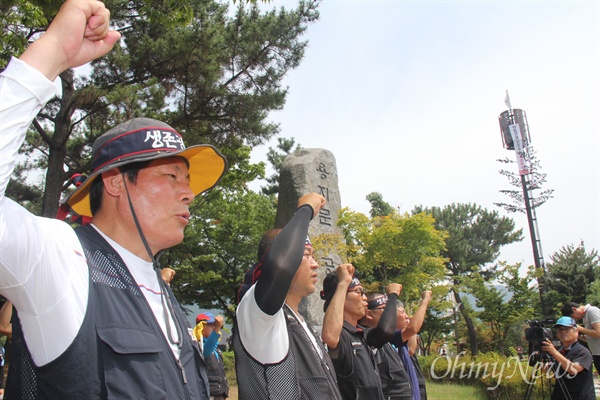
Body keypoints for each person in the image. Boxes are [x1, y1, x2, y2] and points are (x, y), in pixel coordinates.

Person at [0, 1, 228, 397]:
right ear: (116, 182)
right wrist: (53, 50)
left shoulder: (161, 290)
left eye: (187, 180)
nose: (189, 192)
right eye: (171, 175)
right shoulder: (61, 258)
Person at [233, 192, 342, 399]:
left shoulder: (299, 321)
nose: (315, 263)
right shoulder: (260, 315)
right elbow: (280, 267)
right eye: (306, 254)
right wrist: (305, 210)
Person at [320, 264, 402, 400]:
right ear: (342, 298)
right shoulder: (341, 335)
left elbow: (386, 330)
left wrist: (392, 297)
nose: (365, 298)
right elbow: (329, 336)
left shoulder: (362, 334)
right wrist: (343, 283)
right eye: (359, 292)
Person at [359, 292, 412, 400]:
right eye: (384, 309)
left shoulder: (387, 336)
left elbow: (411, 330)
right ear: (369, 314)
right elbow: (384, 330)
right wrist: (393, 295)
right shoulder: (368, 336)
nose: (390, 313)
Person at [541, 316, 596, 400]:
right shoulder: (559, 351)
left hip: (580, 396)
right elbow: (546, 370)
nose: (563, 332)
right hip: (560, 395)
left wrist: (554, 352)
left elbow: (573, 370)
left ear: (576, 332)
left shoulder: (582, 351)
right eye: (560, 330)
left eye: (567, 329)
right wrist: (542, 356)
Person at [196, 313, 229, 400]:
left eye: (215, 325)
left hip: (220, 392)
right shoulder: (198, 345)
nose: (214, 327)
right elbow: (206, 351)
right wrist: (217, 328)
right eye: (211, 325)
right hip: (209, 393)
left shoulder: (216, 348)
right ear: (201, 326)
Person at [561, 301, 600, 375]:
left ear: (574, 309)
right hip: (596, 354)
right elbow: (591, 338)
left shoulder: (592, 311)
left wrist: (579, 328)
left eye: (573, 316)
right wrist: (576, 334)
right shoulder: (586, 316)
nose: (575, 319)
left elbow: (598, 333)